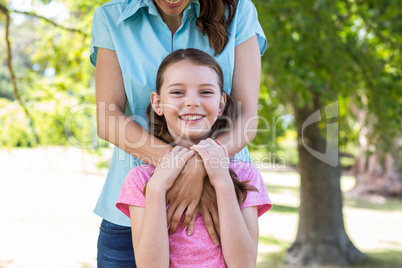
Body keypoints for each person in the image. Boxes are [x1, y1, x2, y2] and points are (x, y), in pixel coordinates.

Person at [90, 0, 267, 265]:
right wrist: (182, 166)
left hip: (224, 202)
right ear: (156, 102)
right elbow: (108, 118)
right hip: (135, 212)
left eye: (206, 92)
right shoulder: (110, 18)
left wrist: (203, 168)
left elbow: (247, 116)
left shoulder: (239, 11)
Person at [116, 48, 272, 267]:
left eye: (206, 92)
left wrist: (222, 182)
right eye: (178, 92)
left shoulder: (245, 175)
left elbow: (244, 264)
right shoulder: (141, 180)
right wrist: (156, 188)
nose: (192, 102)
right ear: (157, 103)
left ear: (221, 103)